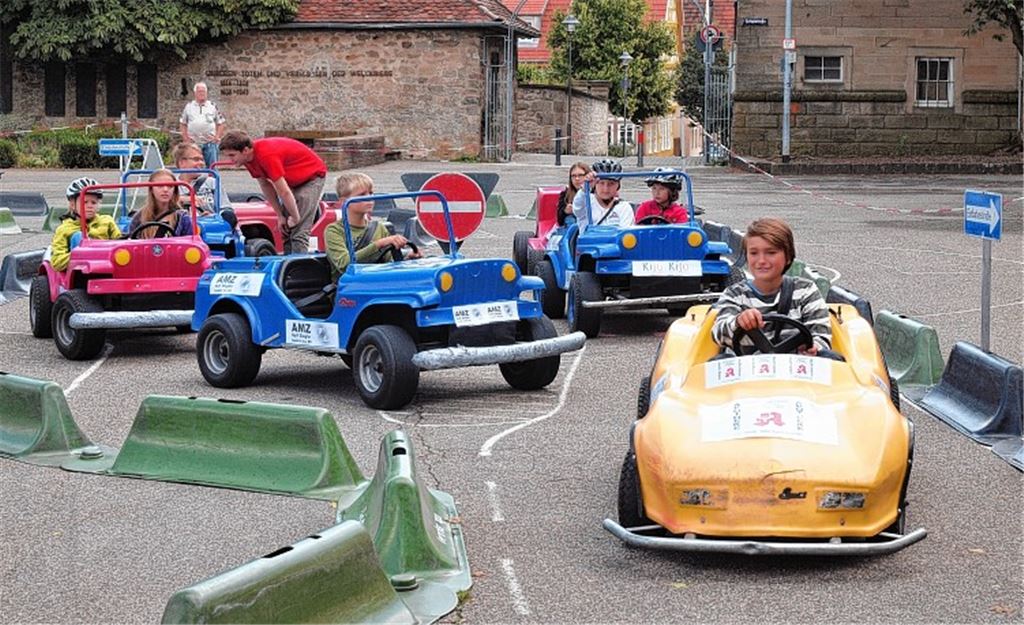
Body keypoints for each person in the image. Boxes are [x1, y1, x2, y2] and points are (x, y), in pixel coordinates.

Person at [711, 218, 832, 356]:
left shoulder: (805, 291)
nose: (761, 261)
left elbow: (821, 334)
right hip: (748, 371)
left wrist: (814, 347)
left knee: (831, 357)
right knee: (719, 361)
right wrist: (739, 321)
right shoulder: (734, 295)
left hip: (796, 369)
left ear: (787, 256)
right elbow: (718, 334)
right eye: (754, 253)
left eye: (771, 252)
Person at [219, 130, 327, 254]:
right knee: (285, 229)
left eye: (232, 155)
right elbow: (265, 185)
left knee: (299, 231)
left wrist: (296, 217)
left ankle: (298, 268)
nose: (229, 160)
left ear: (246, 150)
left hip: (311, 177)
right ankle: (287, 264)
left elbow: (283, 191)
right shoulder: (247, 159)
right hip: (292, 180)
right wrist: (280, 215)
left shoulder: (266, 155)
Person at [324, 172, 420, 280]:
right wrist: (379, 244)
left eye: (371, 193)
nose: (369, 198)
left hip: (375, 282)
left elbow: (388, 261)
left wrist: (407, 258)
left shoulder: (379, 228)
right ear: (344, 201)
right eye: (361, 195)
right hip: (350, 287)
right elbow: (344, 264)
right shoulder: (334, 231)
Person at [51, 177, 121, 271]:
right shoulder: (64, 229)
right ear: (72, 205)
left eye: (94, 202)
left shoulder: (107, 221)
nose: (90, 206)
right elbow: (57, 262)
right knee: (78, 236)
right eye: (85, 202)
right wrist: (82, 254)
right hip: (80, 272)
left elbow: (120, 242)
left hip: (107, 267)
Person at [127, 169, 193, 239]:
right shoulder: (139, 217)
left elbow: (191, 243)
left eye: (170, 186)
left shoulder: (182, 218)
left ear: (175, 190)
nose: (165, 189)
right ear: (151, 189)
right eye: (160, 186)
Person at [571, 159, 634, 230]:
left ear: (618, 186)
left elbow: (625, 233)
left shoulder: (624, 207)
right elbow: (577, 208)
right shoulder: (587, 202)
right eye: (601, 183)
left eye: (611, 184)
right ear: (595, 183)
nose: (605, 189)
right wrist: (585, 187)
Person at [179, 82, 226, 168]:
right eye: (199, 91)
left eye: (204, 91)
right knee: (193, 167)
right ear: (195, 93)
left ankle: (213, 181)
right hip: (194, 143)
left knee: (212, 167)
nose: (202, 93)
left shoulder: (212, 106)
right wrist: (185, 138)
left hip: (210, 143)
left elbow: (221, 123)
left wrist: (217, 137)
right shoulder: (189, 107)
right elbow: (183, 123)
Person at [172, 142, 219, 215]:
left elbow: (226, 210)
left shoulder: (212, 183)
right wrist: (180, 199)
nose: (201, 163)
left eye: (202, 159)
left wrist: (211, 217)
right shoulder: (170, 184)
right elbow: (156, 206)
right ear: (182, 163)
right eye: (196, 159)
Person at [556, 161, 591, 226]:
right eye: (573, 176)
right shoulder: (565, 194)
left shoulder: (596, 193)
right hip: (571, 229)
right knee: (570, 220)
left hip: (589, 226)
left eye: (580, 175)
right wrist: (565, 211)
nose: (577, 179)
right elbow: (559, 221)